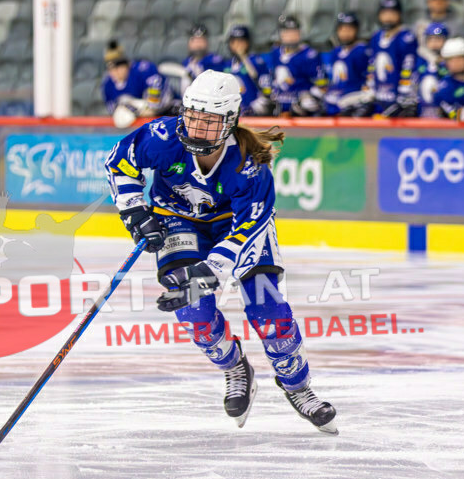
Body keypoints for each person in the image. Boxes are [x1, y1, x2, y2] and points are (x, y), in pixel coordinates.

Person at [104, 70, 338, 434]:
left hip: (235, 230)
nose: (197, 127)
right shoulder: (163, 137)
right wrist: (135, 212)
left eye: (209, 121)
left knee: (268, 309)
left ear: (230, 121)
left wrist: (209, 272)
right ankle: (235, 368)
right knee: (195, 311)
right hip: (178, 223)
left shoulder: (249, 167)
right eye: (193, 115)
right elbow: (121, 162)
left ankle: (298, 386)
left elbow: (248, 229)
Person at [101, 41, 176, 126]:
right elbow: (113, 109)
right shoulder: (107, 83)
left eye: (118, 67)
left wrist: (150, 108)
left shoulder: (144, 69)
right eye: (111, 69)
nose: (115, 72)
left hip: (167, 115)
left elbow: (157, 92)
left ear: (126, 64)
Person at [265, 15, 326, 117]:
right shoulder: (275, 52)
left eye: (294, 32)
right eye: (287, 32)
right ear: (281, 34)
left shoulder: (310, 55)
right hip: (278, 104)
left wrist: (309, 97)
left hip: (299, 108)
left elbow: (322, 86)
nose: (291, 36)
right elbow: (270, 80)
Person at [369, 0, 419, 117]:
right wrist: (370, 87)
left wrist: (405, 93)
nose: (388, 17)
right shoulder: (376, 36)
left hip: (398, 100)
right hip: (379, 97)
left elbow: (409, 66)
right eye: (385, 13)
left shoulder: (406, 37)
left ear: (399, 15)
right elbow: (372, 63)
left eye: (392, 13)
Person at [322, 12, 373, 117]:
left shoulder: (362, 51)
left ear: (356, 31)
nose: (345, 33)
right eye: (342, 29)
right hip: (333, 98)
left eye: (349, 30)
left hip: (351, 99)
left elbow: (369, 78)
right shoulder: (336, 51)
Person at [224, 24, 274, 116]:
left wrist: (261, 102)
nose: (238, 45)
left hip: (252, 116)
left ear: (248, 43)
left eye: (241, 41)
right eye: (234, 41)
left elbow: (267, 89)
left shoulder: (257, 62)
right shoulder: (226, 64)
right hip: (231, 115)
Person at [414, 22, 450, 118]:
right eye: (431, 39)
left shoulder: (450, 63)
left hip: (444, 113)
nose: (434, 43)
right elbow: (413, 83)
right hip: (422, 111)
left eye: (438, 39)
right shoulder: (420, 61)